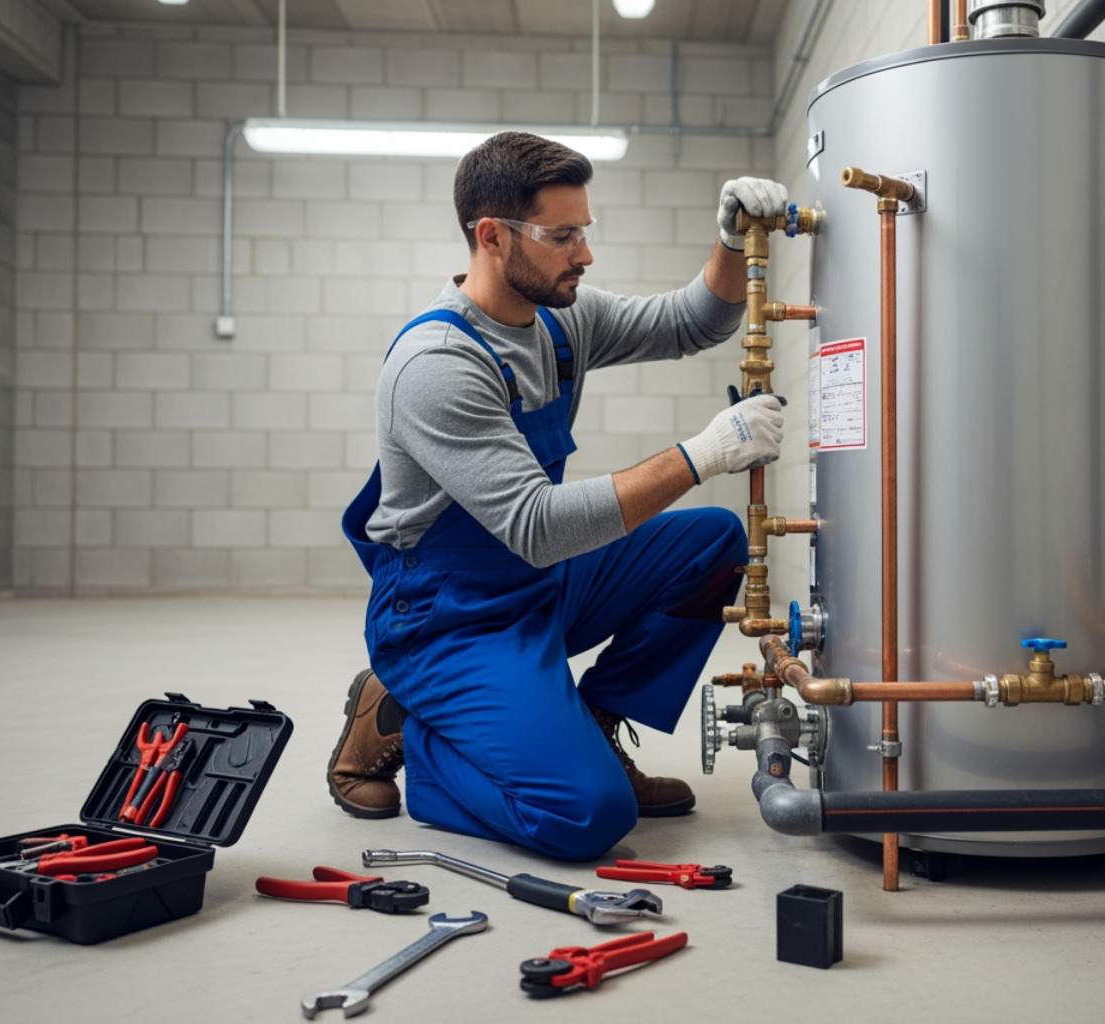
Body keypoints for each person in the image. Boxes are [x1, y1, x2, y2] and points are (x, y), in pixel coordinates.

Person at [331, 131, 790, 861]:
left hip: (537, 579)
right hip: (448, 615)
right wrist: (703, 454)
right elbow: (538, 526)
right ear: (491, 236)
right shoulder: (437, 365)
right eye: (562, 236)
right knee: (585, 816)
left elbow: (693, 321)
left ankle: (596, 730)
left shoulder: (560, 320)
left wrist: (732, 241)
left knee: (711, 544)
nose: (585, 254)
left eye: (585, 229)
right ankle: (415, 728)